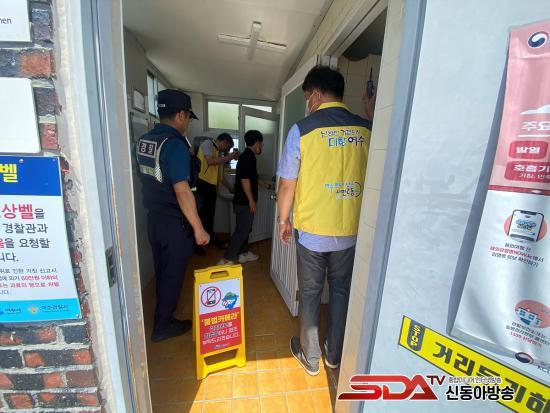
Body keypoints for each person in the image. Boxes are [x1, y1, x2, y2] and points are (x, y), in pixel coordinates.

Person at [276, 66, 375, 375]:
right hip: (350, 230)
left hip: (312, 231)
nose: (308, 103)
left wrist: (283, 220)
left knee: (310, 293)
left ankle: (311, 358)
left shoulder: (302, 130)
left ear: (316, 95)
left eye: (308, 96)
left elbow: (287, 184)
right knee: (341, 289)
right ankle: (334, 355)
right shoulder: (367, 129)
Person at [135, 89, 210, 342]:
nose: (187, 122)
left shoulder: (144, 141)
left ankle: (163, 315)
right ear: (180, 115)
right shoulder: (175, 144)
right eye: (188, 116)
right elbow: (182, 190)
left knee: (162, 270)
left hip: (154, 220)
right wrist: (198, 228)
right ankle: (163, 325)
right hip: (174, 224)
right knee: (173, 274)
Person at [217, 130, 272, 265]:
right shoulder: (248, 157)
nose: (262, 146)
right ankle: (227, 259)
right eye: (261, 143)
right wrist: (251, 201)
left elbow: (254, 179)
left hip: (242, 201)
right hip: (244, 202)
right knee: (242, 231)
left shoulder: (248, 156)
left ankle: (243, 254)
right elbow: (245, 180)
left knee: (246, 229)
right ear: (257, 143)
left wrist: (270, 186)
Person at [195, 133, 239, 254]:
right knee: (202, 216)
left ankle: (210, 240)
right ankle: (196, 245)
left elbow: (221, 177)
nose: (226, 150)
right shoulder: (208, 144)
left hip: (211, 188)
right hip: (203, 185)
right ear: (224, 141)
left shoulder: (218, 153)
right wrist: (229, 157)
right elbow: (210, 161)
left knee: (210, 216)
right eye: (227, 147)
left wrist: (231, 188)